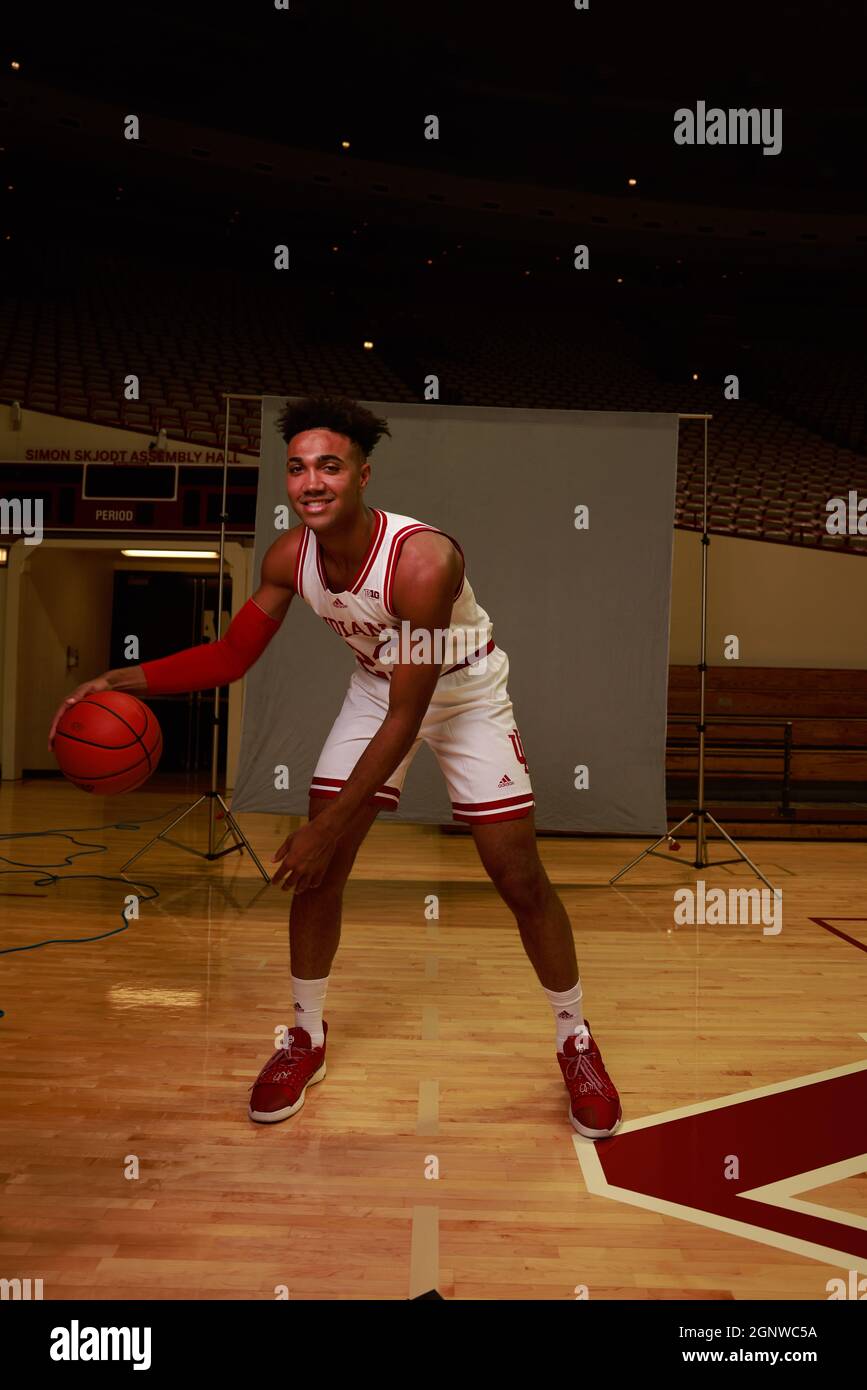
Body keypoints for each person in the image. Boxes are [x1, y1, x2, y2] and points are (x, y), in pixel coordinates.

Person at [49, 395, 622, 1139]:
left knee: (515, 874)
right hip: (378, 691)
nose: (310, 482)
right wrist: (116, 681)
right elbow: (230, 656)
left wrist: (327, 826)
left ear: (361, 474)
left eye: (328, 466)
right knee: (317, 870)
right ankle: (304, 1035)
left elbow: (410, 717)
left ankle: (574, 1038)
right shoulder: (289, 556)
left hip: (463, 694)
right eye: (296, 468)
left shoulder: (423, 562)